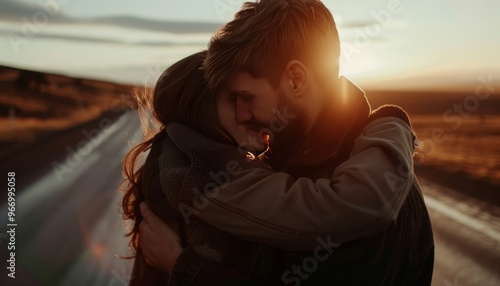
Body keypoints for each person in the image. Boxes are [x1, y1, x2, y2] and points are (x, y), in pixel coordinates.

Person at [137, 0, 434, 285]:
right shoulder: (283, 160)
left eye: (247, 98)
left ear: (295, 80)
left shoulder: (376, 185)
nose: (243, 114)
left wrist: (187, 269)